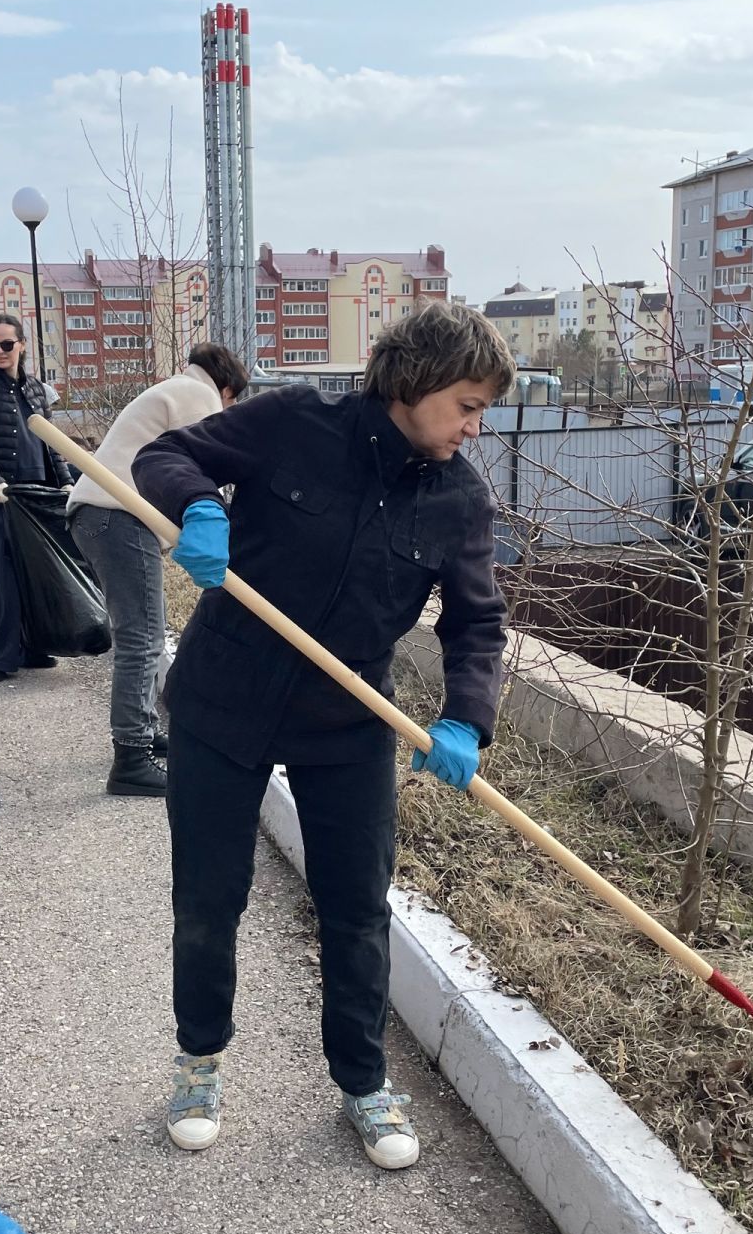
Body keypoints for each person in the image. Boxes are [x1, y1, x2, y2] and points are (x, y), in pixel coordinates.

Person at [134, 301, 512, 1171]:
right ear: (415, 383)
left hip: (349, 722)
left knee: (355, 906)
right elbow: (167, 455)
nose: (475, 426)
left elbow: (476, 624)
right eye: (466, 403)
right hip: (225, 701)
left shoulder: (459, 498)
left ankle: (364, 1083)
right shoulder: (296, 422)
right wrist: (196, 507)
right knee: (209, 894)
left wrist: (466, 716)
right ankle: (199, 1062)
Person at [67, 343, 249, 796]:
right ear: (227, 388)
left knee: (143, 632)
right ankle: (131, 758)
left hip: (101, 515)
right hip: (117, 514)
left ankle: (144, 732)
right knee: (142, 638)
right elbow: (200, 467)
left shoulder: (174, 388)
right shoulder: (197, 396)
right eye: (232, 404)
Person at [0, 312, 74, 682]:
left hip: (33, 494)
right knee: (1, 575)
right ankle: (0, 658)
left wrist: (66, 481)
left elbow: (49, 440)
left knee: (33, 572)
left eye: (7, 344)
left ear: (22, 345)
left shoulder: (37, 389)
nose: (0, 351)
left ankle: (32, 648)